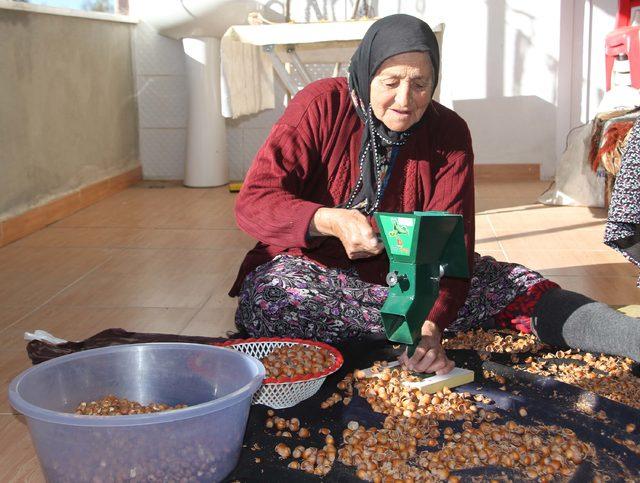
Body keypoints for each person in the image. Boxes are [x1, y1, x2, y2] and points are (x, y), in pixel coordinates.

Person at [230, 14, 640, 374]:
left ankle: (630, 338)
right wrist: (328, 219)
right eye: (390, 83)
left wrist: (430, 321)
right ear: (367, 73)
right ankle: (395, 338)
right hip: (313, 274)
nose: (405, 101)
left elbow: (451, 248)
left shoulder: (449, 133)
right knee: (275, 295)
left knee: (517, 286)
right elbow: (255, 202)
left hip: (410, 283)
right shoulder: (321, 105)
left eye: (421, 85)